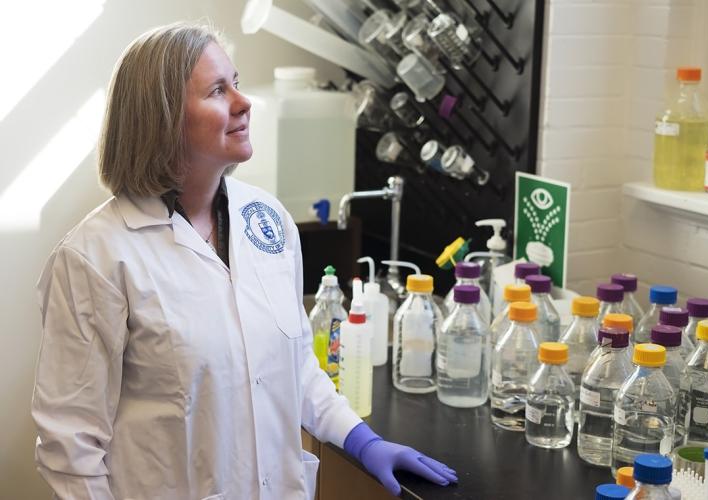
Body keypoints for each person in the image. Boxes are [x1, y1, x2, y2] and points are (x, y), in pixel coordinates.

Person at [31, 22, 457, 500]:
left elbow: (291, 362)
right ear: (163, 117)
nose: (243, 101)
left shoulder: (266, 220)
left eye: (237, 83)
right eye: (217, 90)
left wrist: (362, 440)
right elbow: (71, 447)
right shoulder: (96, 257)